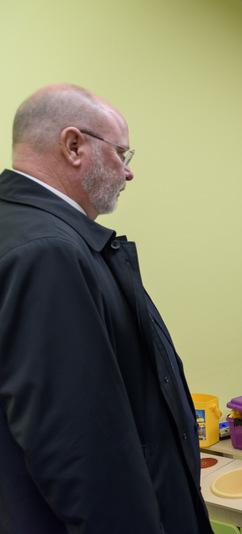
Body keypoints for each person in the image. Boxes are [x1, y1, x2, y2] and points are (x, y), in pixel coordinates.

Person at [0, 84, 214, 533]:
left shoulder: (37, 235)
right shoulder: (47, 253)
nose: (128, 172)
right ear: (73, 146)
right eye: (121, 153)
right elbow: (82, 452)